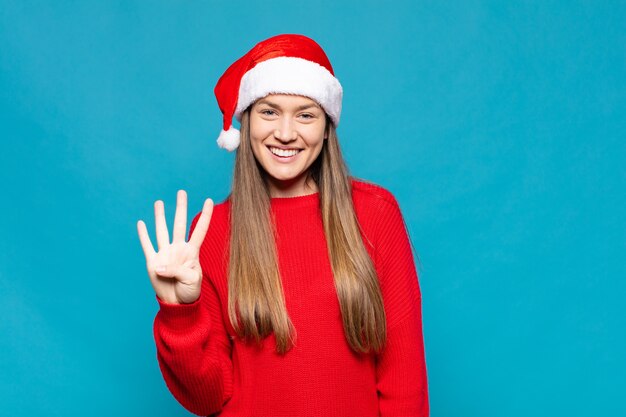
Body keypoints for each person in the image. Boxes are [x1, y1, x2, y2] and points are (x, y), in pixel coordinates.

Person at [137, 34, 429, 417]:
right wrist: (180, 310)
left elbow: (403, 381)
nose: (286, 133)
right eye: (270, 112)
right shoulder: (214, 232)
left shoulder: (375, 213)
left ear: (327, 127)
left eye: (305, 114)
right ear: (247, 121)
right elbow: (206, 399)